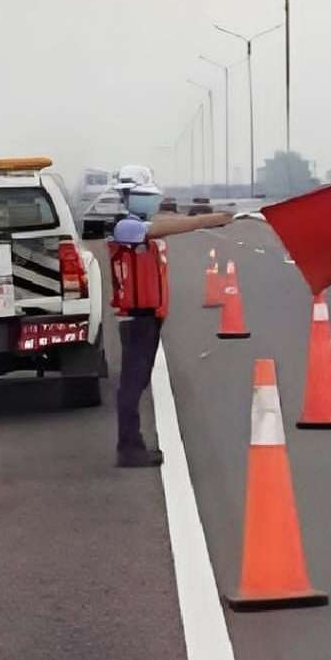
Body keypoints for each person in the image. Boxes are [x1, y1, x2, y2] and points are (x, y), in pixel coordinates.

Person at [109, 166, 233, 467]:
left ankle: (132, 445)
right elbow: (164, 228)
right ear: (130, 196)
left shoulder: (139, 223)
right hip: (137, 319)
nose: (152, 203)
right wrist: (213, 220)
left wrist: (217, 215)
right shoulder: (124, 226)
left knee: (136, 383)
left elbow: (165, 222)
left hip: (148, 317)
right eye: (146, 197)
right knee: (132, 385)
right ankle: (129, 448)